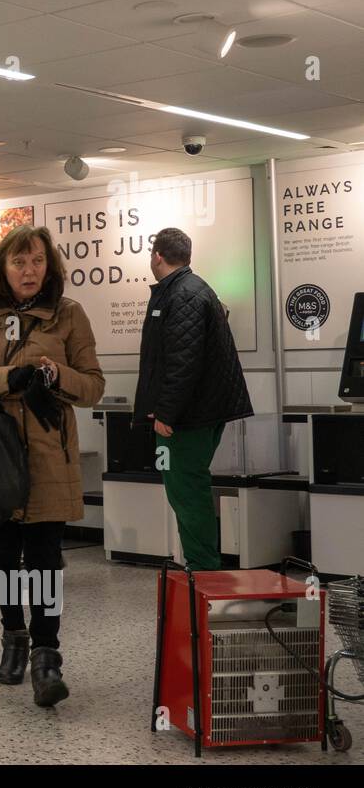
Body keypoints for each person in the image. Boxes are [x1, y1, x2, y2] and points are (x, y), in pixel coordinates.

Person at [0, 225, 104, 708]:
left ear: (48, 265)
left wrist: (57, 375)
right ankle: (13, 636)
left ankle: (47, 655)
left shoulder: (69, 314)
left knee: (45, 561)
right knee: (3, 558)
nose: (29, 271)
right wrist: (5, 377)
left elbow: (93, 386)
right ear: (2, 268)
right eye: (19, 262)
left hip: (49, 455)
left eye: (36, 261)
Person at [133, 227, 252, 571]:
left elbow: (183, 361)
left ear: (157, 255)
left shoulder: (182, 295)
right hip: (197, 413)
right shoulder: (190, 289)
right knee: (186, 489)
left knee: (185, 491)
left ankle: (202, 570)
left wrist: (166, 413)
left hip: (184, 419)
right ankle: (200, 566)